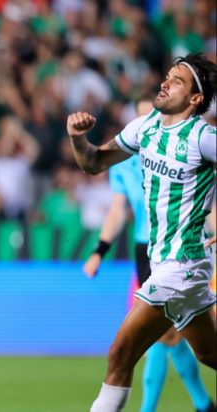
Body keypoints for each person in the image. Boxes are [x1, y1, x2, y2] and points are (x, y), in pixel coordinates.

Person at [66, 53, 217, 412]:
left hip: (181, 266)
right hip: (165, 261)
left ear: (195, 98)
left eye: (177, 81)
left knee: (120, 353)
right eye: (167, 76)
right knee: (210, 354)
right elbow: (93, 163)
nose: (165, 83)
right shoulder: (145, 127)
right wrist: (77, 138)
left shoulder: (203, 137)